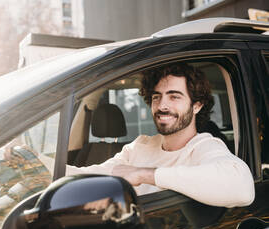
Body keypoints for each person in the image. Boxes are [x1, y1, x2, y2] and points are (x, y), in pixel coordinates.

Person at [66, 63, 255, 208]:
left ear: (196, 105)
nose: (162, 106)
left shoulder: (204, 146)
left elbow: (243, 189)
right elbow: (92, 174)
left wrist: (144, 174)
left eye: (174, 97)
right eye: (157, 97)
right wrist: (40, 169)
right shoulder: (140, 146)